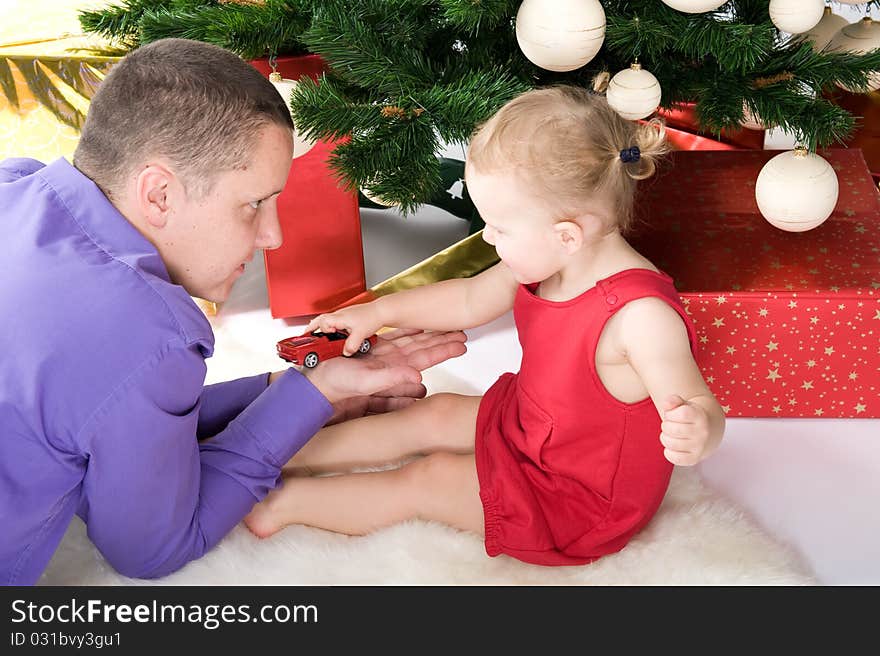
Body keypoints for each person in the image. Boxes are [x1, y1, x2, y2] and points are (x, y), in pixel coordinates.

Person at [0, 38, 467, 585]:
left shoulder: (17, 185)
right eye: (253, 204)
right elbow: (149, 549)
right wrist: (312, 394)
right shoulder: (151, 332)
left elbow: (98, 412)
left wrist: (285, 388)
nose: (273, 235)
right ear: (159, 195)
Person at [244, 86, 727, 566]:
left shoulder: (640, 318)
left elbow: (699, 403)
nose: (488, 238)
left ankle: (281, 507)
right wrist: (376, 312)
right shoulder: (551, 257)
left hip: (576, 498)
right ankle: (272, 454)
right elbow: (469, 297)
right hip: (532, 423)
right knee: (432, 416)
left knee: (430, 480)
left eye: (498, 227)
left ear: (566, 235)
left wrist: (697, 428)